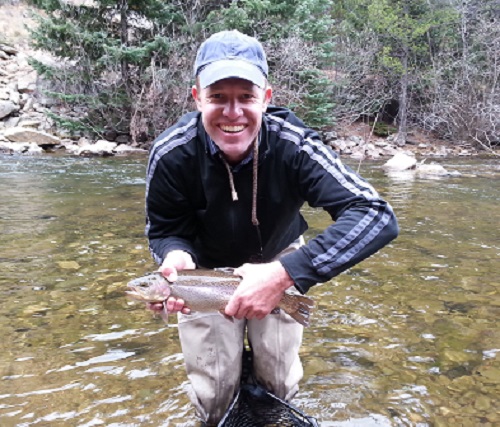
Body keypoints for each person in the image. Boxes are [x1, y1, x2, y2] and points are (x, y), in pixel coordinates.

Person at [145, 29, 398, 426]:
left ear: (267, 97)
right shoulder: (172, 153)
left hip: (280, 257)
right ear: (196, 97)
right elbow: (163, 228)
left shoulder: (293, 144)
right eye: (218, 98)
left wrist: (285, 273)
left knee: (278, 385)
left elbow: (375, 214)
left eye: (246, 97)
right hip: (203, 273)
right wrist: (174, 256)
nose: (233, 113)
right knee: (213, 397)